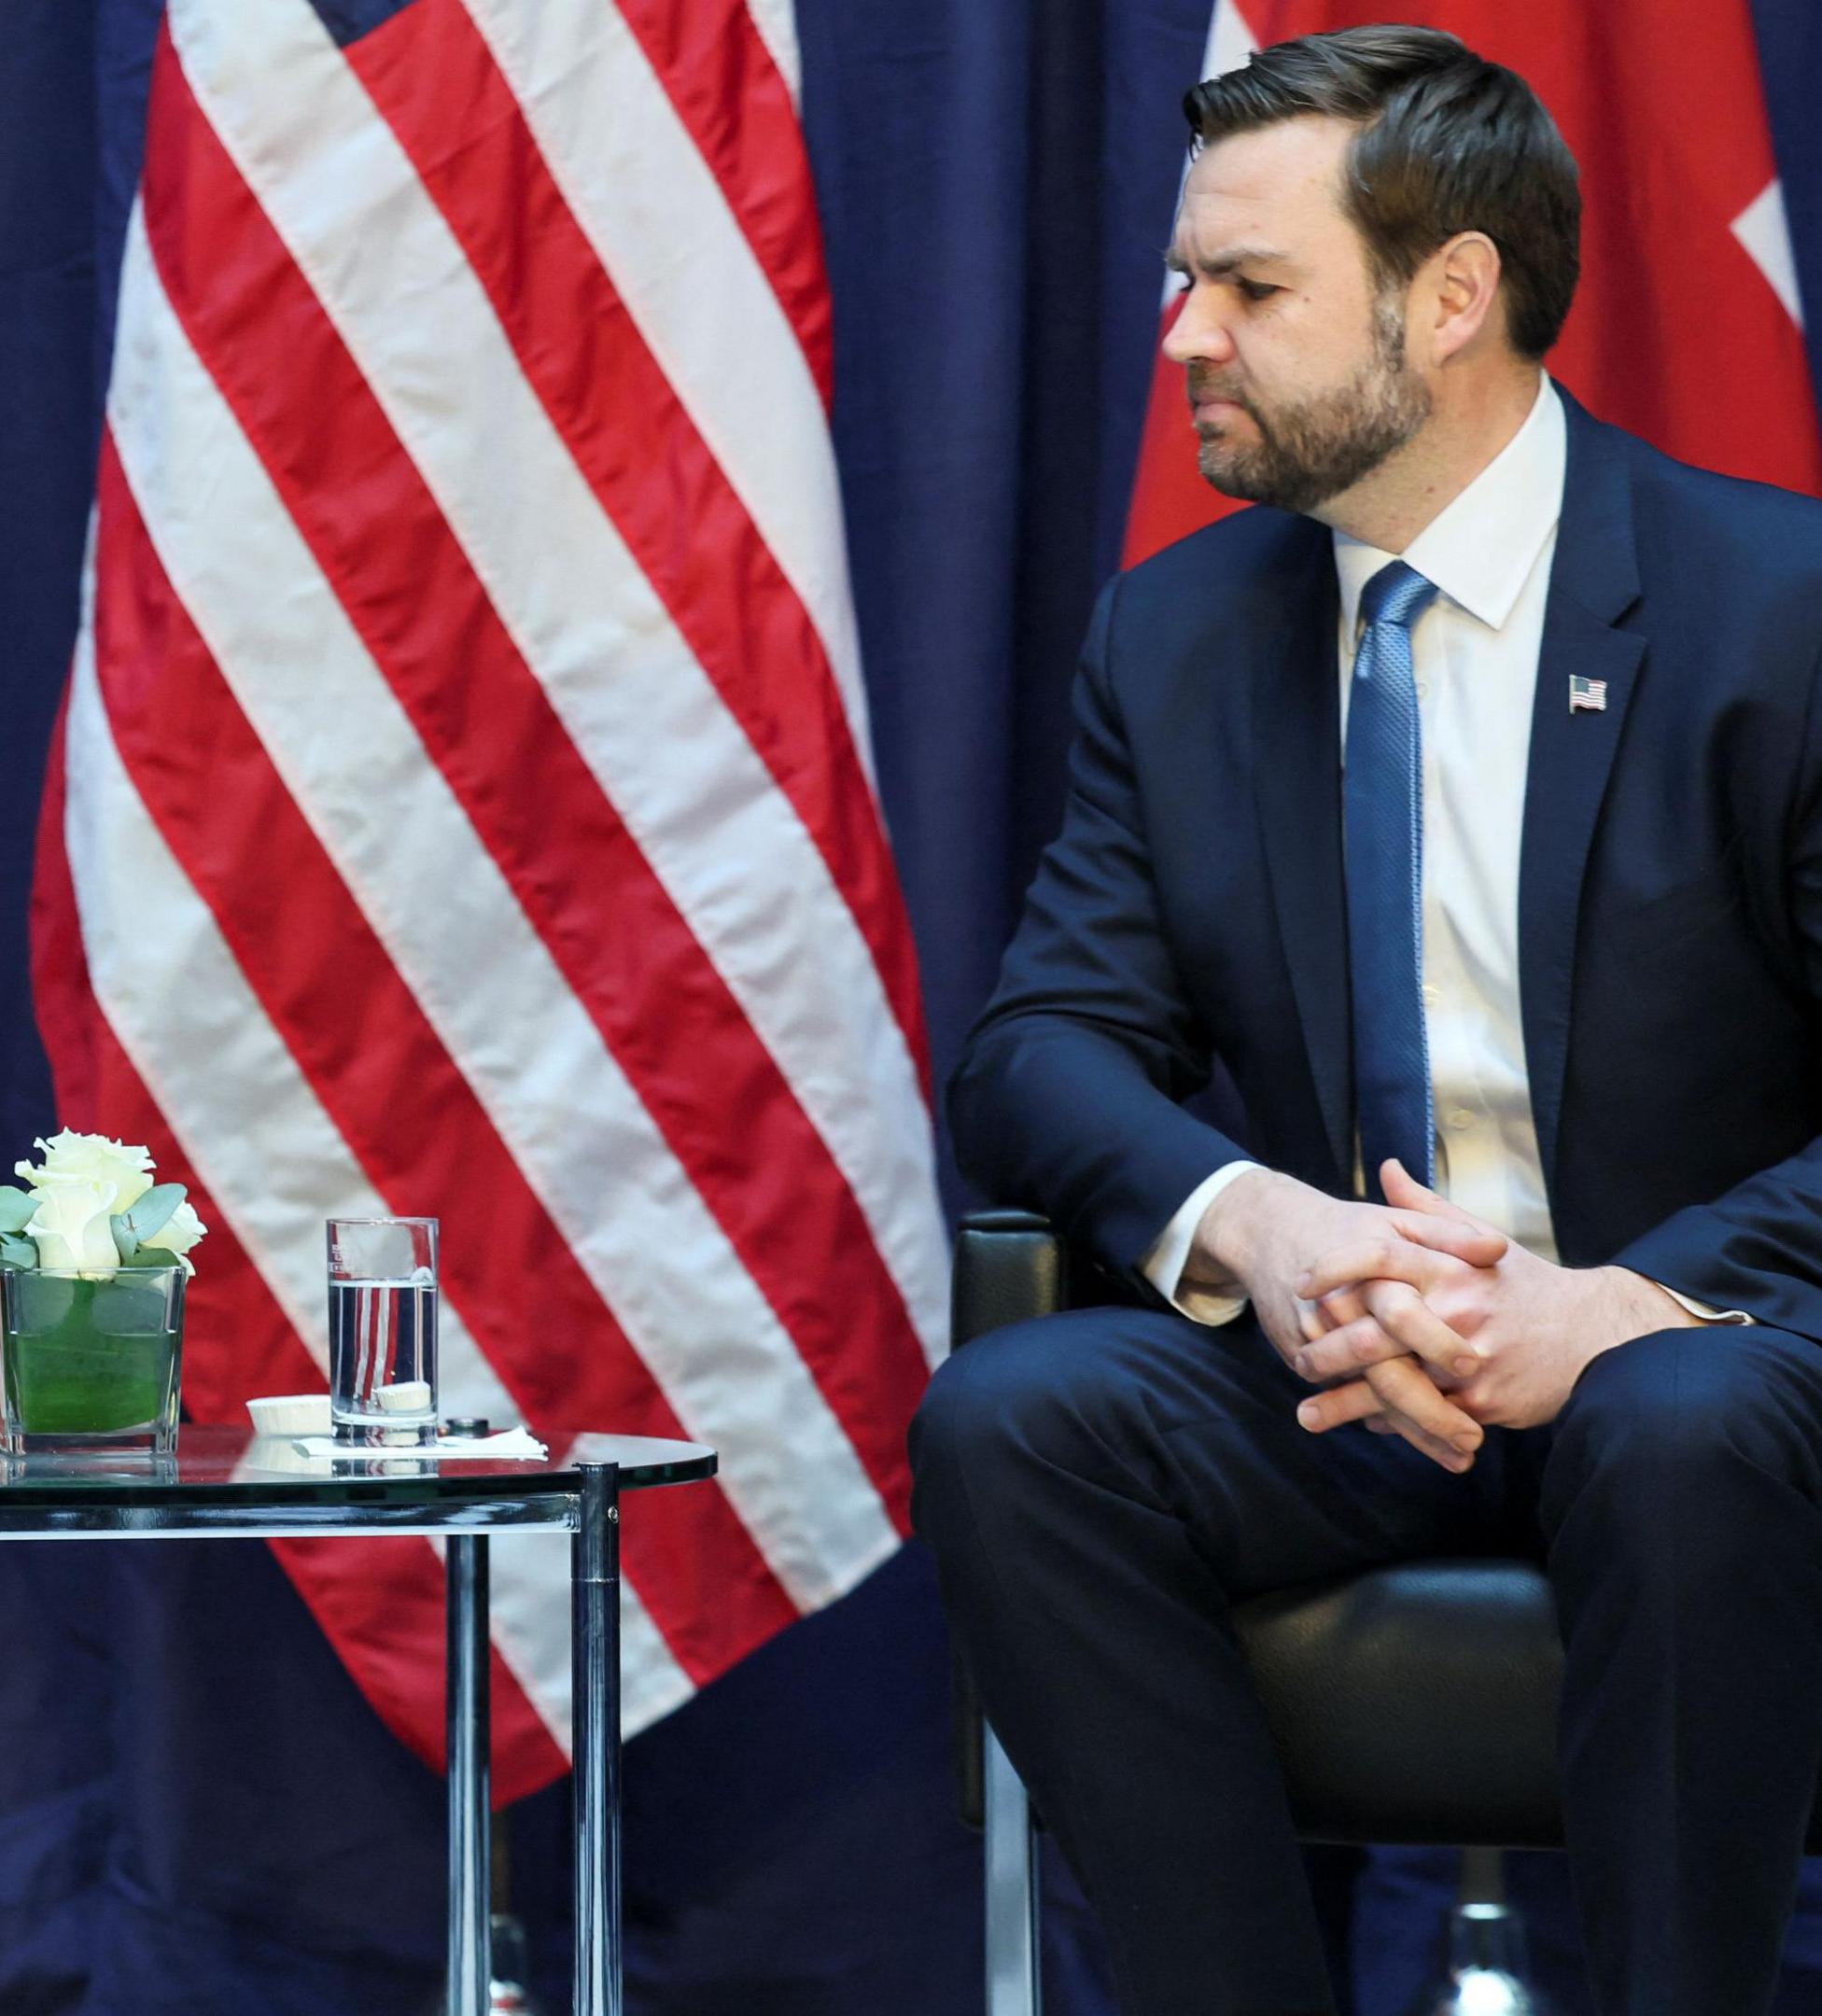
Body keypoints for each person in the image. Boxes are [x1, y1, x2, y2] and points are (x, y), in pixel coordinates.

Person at [913, 26, 1822, 2015]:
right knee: (1016, 1423)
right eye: (1184, 283)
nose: (1186, 339)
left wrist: (1604, 1308)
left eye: (1249, 288)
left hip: (1697, 1356)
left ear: (1453, 295)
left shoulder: (1779, 613)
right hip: (1357, 1373)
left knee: (1680, 1431)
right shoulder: (1176, 634)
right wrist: (1269, 1229)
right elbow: (1034, 1050)